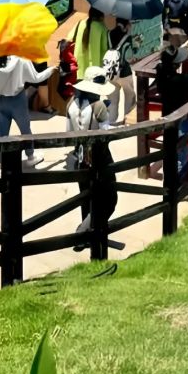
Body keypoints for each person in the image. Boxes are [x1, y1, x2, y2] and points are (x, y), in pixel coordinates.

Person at [67, 67, 118, 248]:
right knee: (110, 198)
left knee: (86, 197)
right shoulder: (99, 106)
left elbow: (68, 133)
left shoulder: (71, 104)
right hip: (100, 157)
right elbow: (105, 134)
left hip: (80, 157)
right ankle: (85, 231)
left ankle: (87, 236)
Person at [0, 52, 53, 170]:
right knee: (25, 130)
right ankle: (30, 157)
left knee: (2, 133)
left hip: (2, 101)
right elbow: (36, 78)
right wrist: (51, 70)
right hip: (18, 100)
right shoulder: (22, 60)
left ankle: (2, 164)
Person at [104, 20, 139, 125]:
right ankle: (126, 121)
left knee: (113, 99)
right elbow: (133, 55)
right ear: (126, 25)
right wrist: (137, 43)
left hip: (111, 72)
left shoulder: (109, 34)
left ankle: (111, 121)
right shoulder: (128, 38)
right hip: (124, 72)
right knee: (129, 96)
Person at [71, 6, 110, 76]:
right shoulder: (102, 27)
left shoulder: (80, 23)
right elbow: (105, 48)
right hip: (94, 70)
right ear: (101, 16)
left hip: (78, 68)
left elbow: (69, 38)